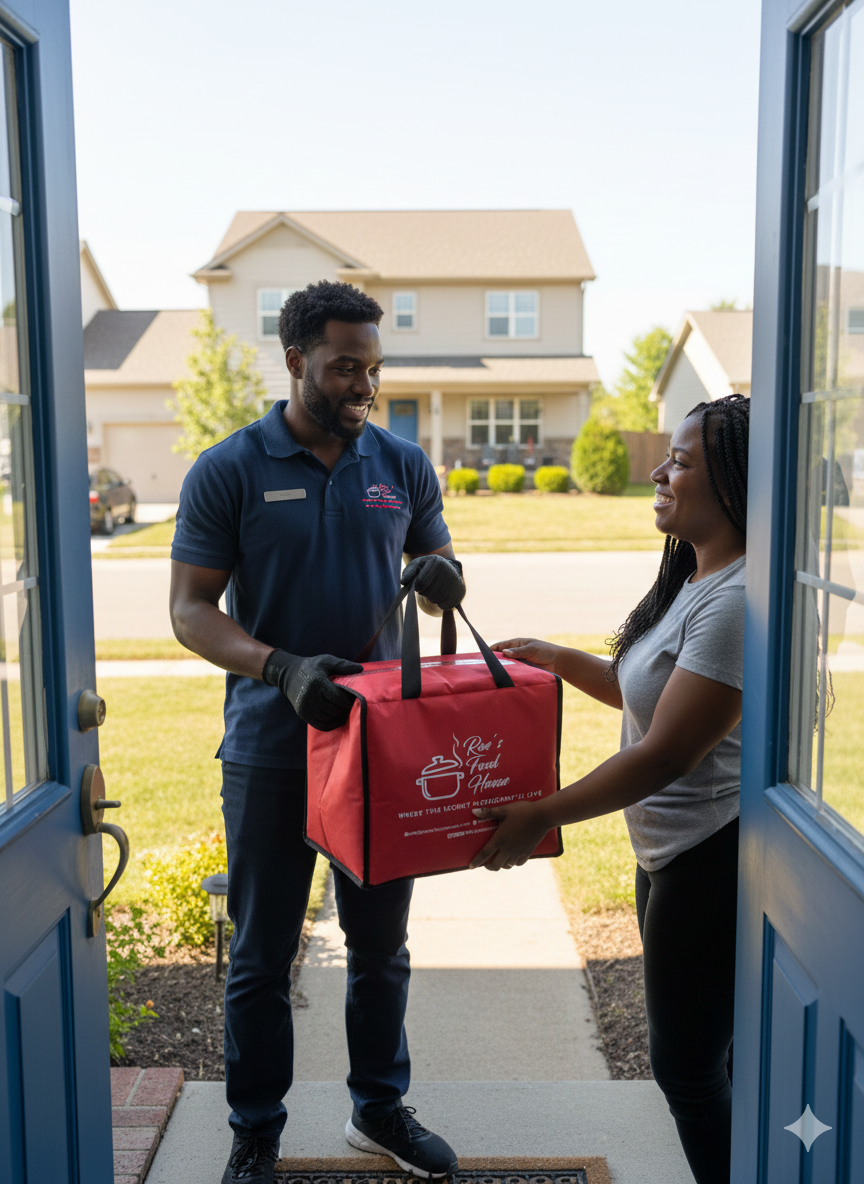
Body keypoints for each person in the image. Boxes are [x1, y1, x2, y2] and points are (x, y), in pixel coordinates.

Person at [169, 280, 462, 1184]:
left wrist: (443, 574)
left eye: (372, 369)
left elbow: (433, 553)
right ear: (295, 360)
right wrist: (282, 668)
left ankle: (379, 1109)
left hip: (381, 748)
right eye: (343, 367)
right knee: (262, 953)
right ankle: (256, 1129)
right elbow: (188, 610)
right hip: (272, 745)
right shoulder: (228, 469)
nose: (361, 385)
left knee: (381, 947)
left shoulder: (401, 463)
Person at [473, 394, 750, 1184]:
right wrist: (559, 658)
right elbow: (652, 695)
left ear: (732, 485)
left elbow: (665, 753)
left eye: (683, 461)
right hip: (670, 853)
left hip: (710, 856)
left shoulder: (736, 602)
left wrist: (542, 816)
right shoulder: (702, 578)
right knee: (697, 1063)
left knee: (689, 1071)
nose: (659, 472)